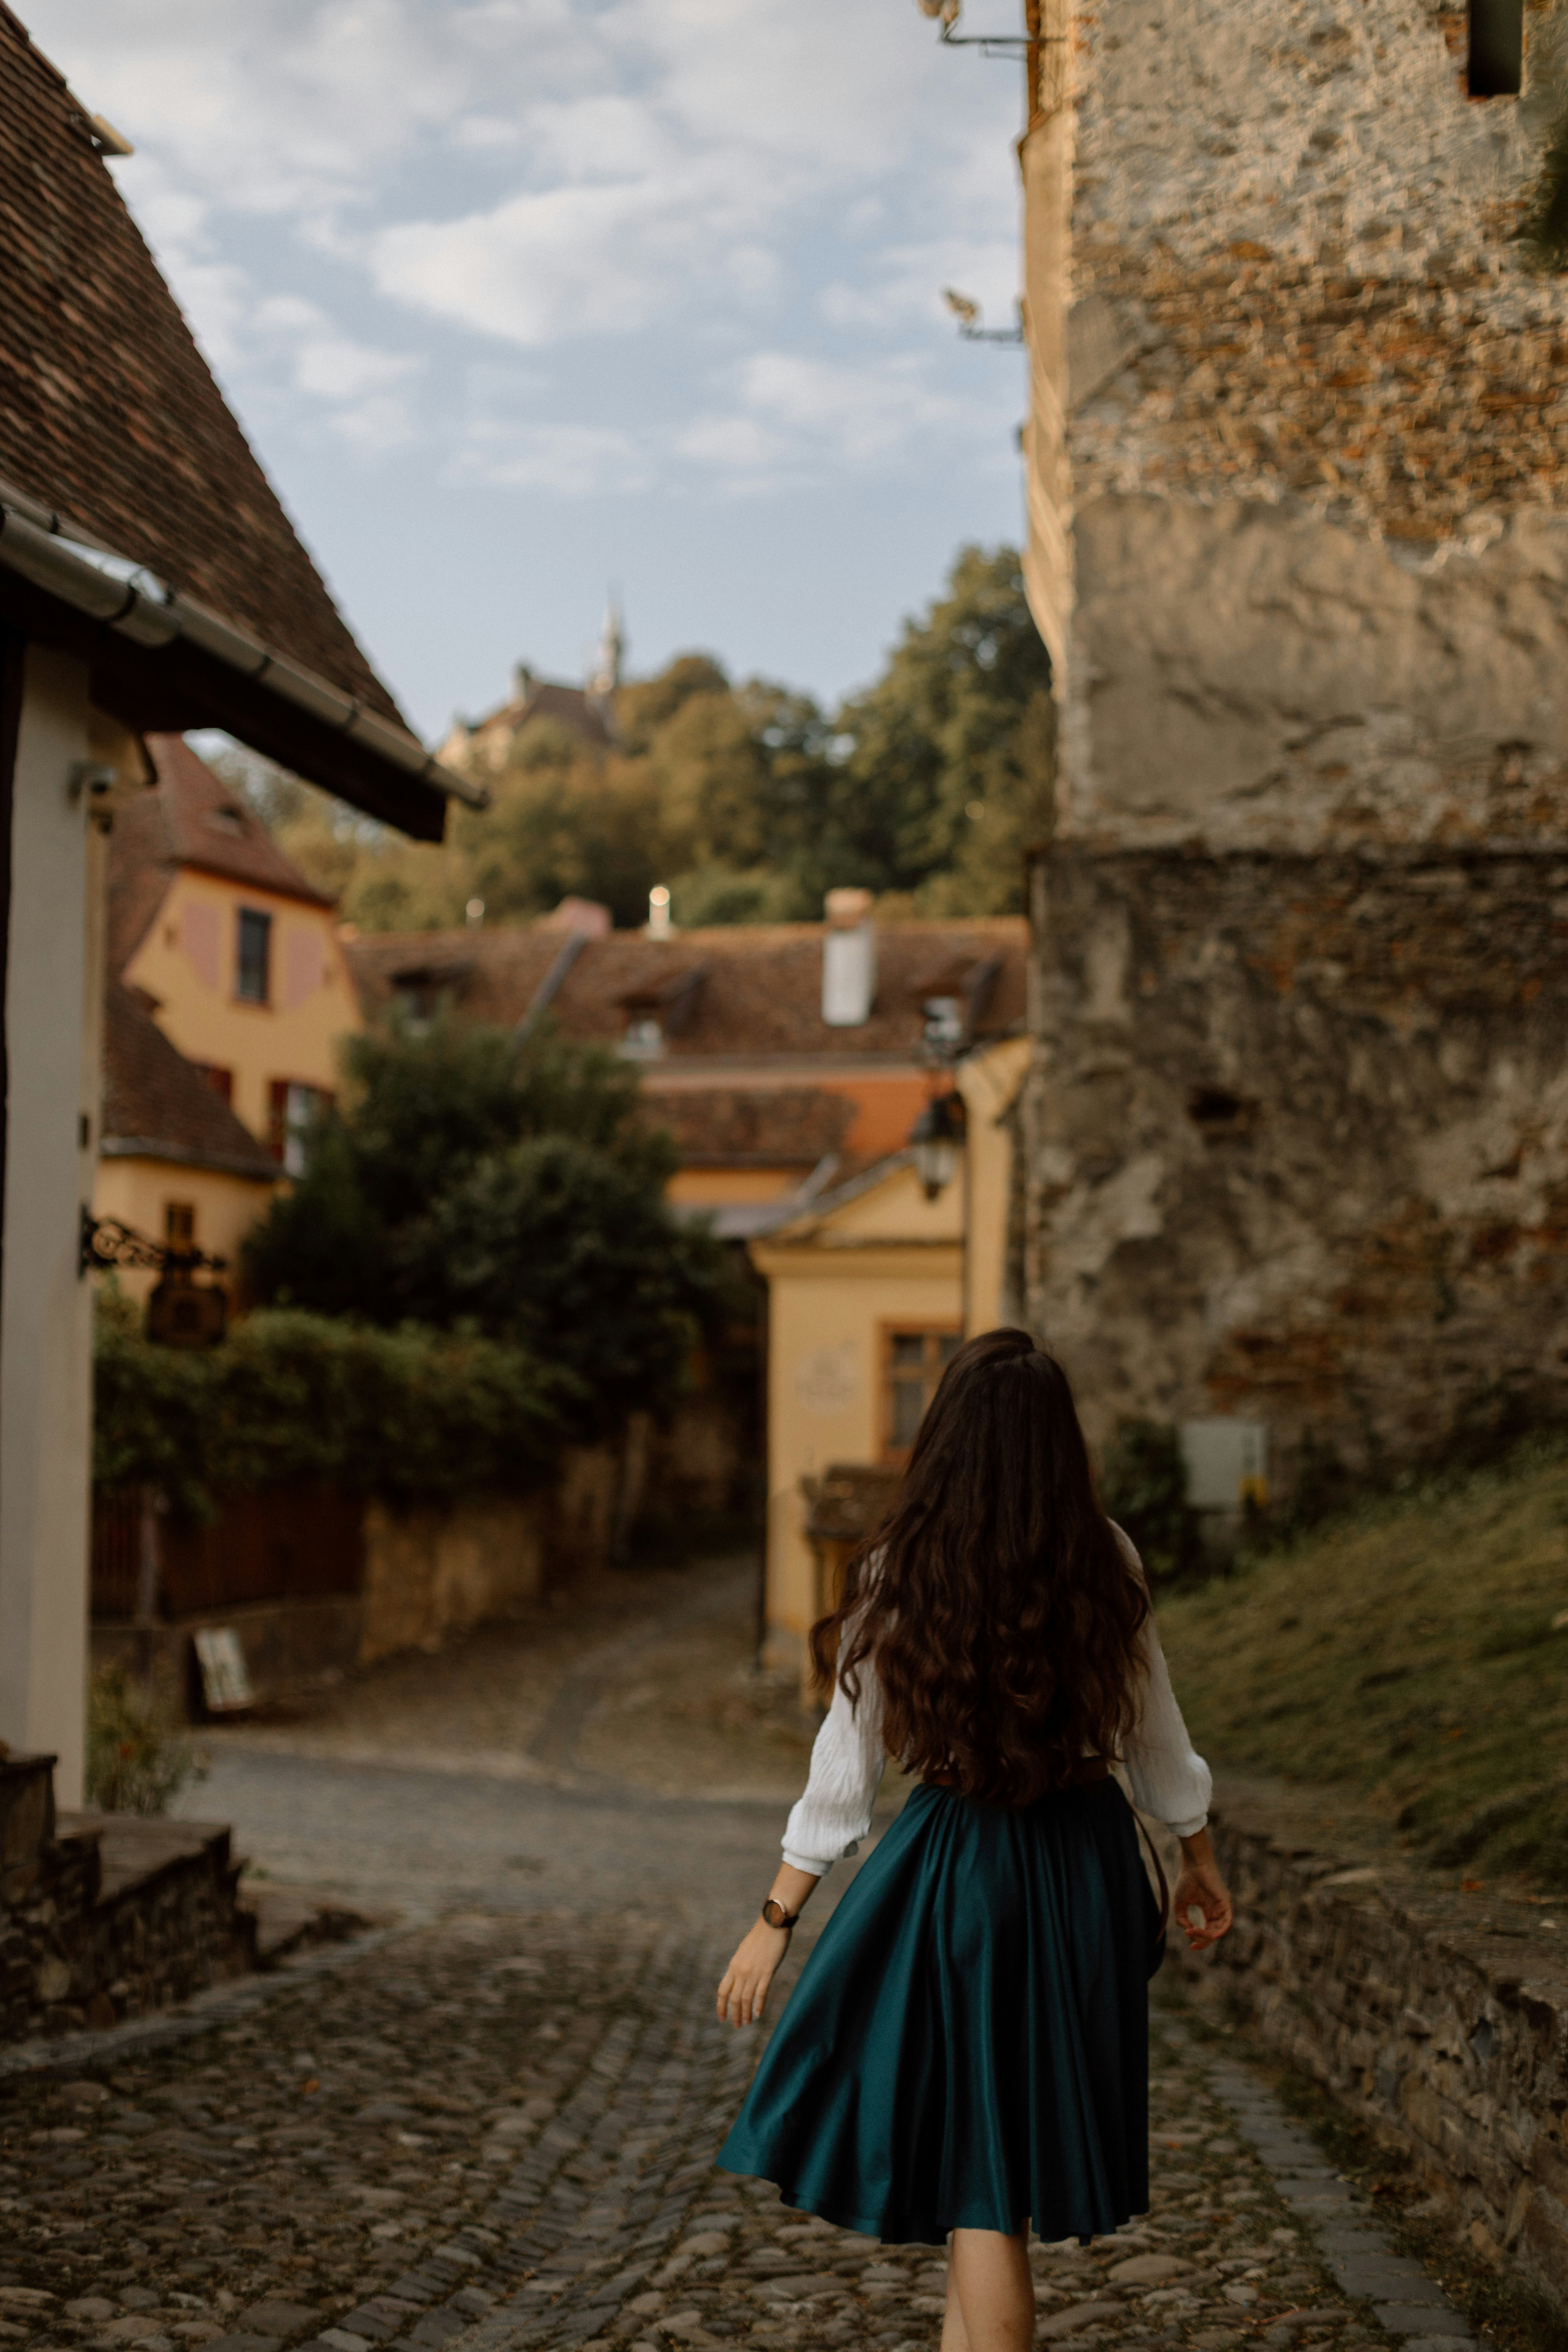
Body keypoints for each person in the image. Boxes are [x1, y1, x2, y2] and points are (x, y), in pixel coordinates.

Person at [714, 1329, 1232, 2352]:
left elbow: (845, 1769)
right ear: (1058, 1443)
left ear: (946, 1437)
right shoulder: (1106, 1556)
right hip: (1088, 1875)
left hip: (962, 1879)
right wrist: (1195, 1858)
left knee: (986, 2189)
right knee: (984, 2179)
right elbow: (1156, 1733)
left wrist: (777, 1918)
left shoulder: (904, 1566)